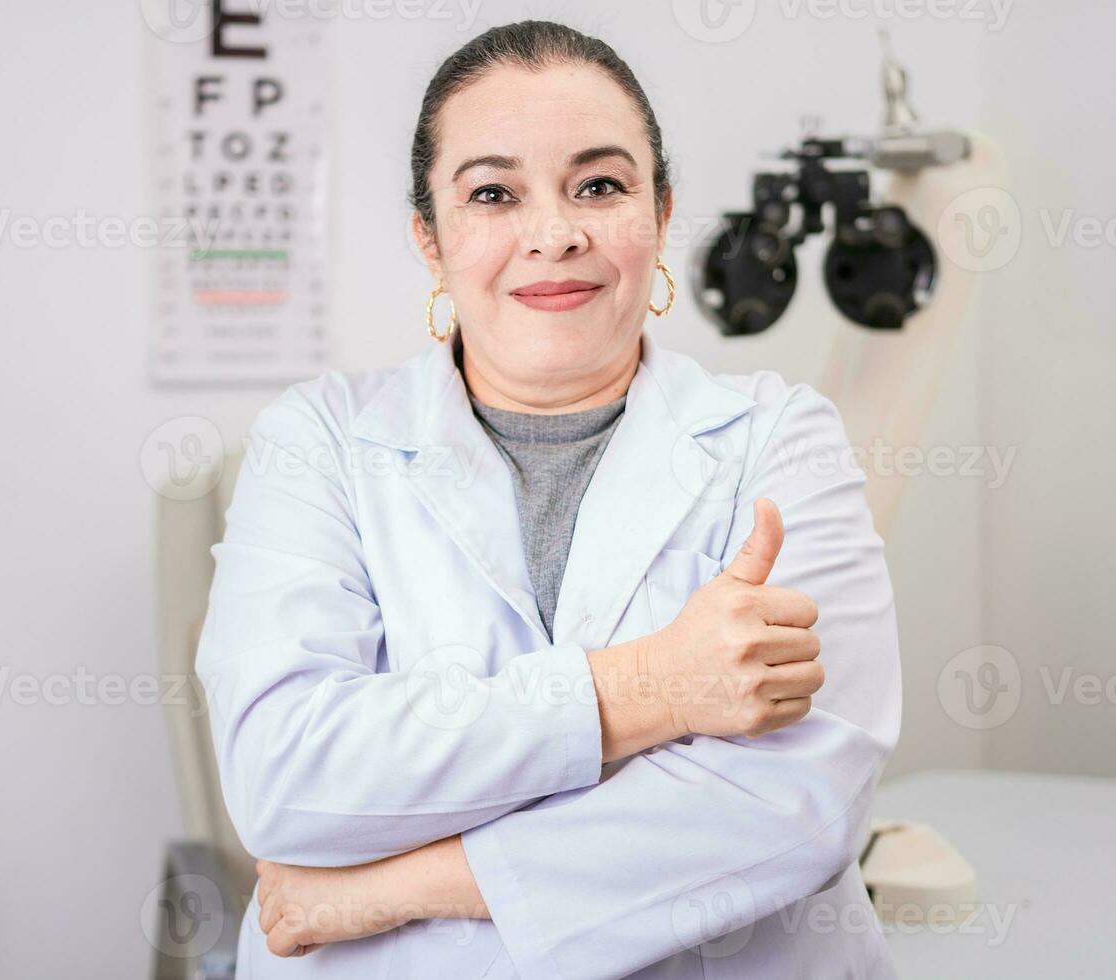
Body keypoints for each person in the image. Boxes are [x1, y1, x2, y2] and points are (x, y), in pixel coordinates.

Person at [195, 20, 902, 979]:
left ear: (660, 213)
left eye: (600, 185)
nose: (555, 232)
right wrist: (656, 685)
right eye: (492, 193)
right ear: (431, 242)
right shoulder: (318, 441)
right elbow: (286, 778)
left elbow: (797, 810)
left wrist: (386, 886)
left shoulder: (779, 440)